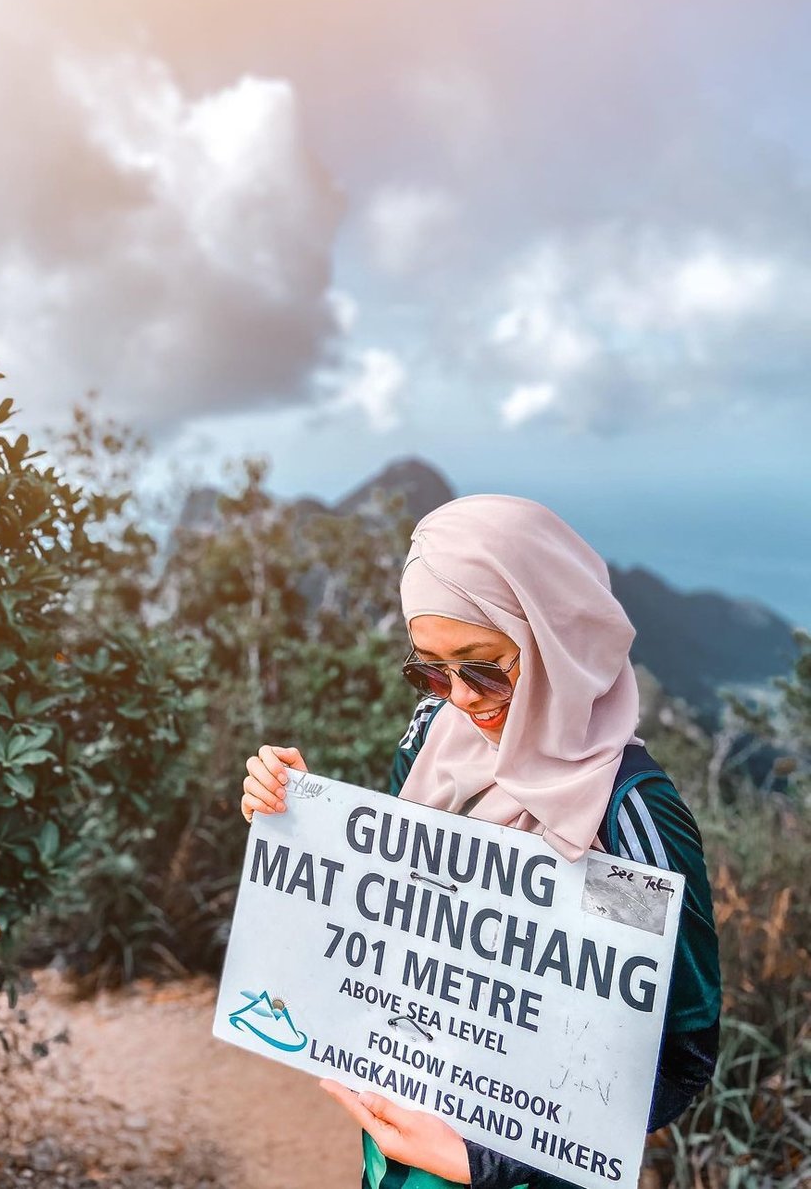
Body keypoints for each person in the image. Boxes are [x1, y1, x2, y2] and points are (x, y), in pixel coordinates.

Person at [241, 495, 721, 1189]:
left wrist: (489, 1164)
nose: (462, 698)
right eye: (432, 669)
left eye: (487, 666)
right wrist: (301, 822)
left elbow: (681, 1056)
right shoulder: (431, 736)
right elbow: (398, 910)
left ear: (554, 642)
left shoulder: (627, 812)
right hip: (397, 1153)